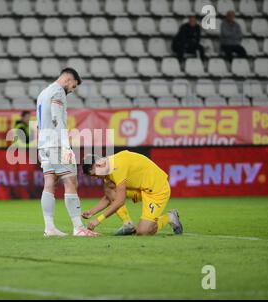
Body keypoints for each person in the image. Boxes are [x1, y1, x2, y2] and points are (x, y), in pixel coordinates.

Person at [37, 68, 97, 237]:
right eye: (74, 86)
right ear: (68, 80)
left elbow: (40, 122)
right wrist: (65, 146)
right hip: (56, 144)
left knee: (49, 182)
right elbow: (56, 119)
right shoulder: (58, 91)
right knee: (71, 181)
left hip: (43, 144)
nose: (72, 90)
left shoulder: (43, 93)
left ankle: (49, 228)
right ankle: (78, 228)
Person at [81, 151, 183, 236]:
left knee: (143, 232)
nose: (95, 178)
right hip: (140, 189)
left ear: (99, 165)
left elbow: (120, 200)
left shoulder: (116, 166)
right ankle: (128, 224)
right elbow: (109, 197)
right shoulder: (106, 171)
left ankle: (170, 217)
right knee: (109, 186)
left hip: (157, 189)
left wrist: (98, 220)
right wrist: (92, 212)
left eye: (94, 174)